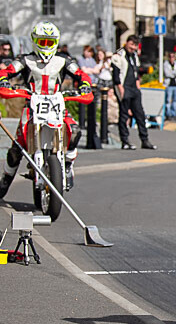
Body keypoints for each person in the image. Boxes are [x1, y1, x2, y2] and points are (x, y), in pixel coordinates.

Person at [0, 22, 92, 198]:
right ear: (35, 41)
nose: (46, 46)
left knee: (75, 131)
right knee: (17, 145)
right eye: (42, 42)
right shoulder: (25, 59)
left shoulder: (63, 60)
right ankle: (6, 178)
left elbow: (81, 74)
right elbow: (7, 71)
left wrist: (86, 86)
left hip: (56, 103)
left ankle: (68, 164)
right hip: (32, 104)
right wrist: (4, 82)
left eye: (50, 42)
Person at [111, 35, 156, 150]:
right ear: (127, 43)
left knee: (140, 114)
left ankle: (145, 140)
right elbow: (116, 75)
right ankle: (125, 141)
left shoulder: (134, 56)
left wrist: (138, 86)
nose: (133, 48)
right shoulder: (119, 55)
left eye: (135, 46)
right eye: (131, 45)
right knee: (124, 115)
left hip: (133, 87)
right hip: (124, 86)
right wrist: (120, 89)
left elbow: (136, 72)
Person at [163, 51, 176, 118]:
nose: (172, 58)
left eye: (173, 57)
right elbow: (167, 73)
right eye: (170, 57)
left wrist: (172, 73)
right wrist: (174, 73)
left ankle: (173, 114)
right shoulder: (166, 64)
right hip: (168, 85)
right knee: (168, 100)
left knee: (174, 100)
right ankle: (168, 114)